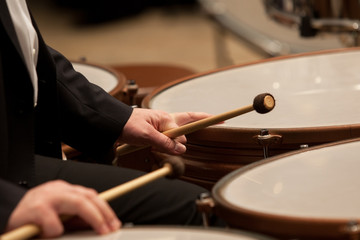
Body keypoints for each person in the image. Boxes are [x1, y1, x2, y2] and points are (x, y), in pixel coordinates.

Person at [0, 0, 216, 238]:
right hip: (8, 181)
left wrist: (120, 117)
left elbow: (24, 51)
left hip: (17, 155)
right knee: (195, 208)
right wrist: (9, 205)